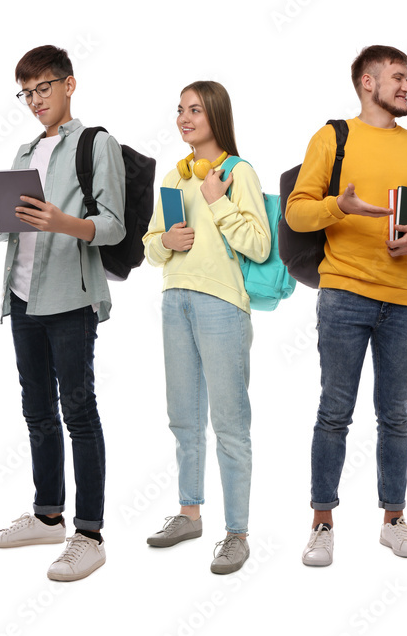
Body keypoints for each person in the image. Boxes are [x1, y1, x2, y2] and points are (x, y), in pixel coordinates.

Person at [286, 45, 407, 567]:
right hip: (345, 294)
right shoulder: (333, 137)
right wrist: (340, 206)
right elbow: (297, 213)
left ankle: (393, 520)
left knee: (394, 416)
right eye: (398, 78)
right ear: (367, 82)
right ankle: (322, 522)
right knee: (335, 412)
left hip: (404, 299)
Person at [0, 45, 125, 581]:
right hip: (21, 296)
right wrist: (5, 216)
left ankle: (88, 533)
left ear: (69, 85)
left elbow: (112, 225)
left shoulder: (95, 143)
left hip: (71, 298)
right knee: (36, 409)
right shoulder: (24, 152)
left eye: (44, 88)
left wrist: (60, 221)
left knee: (79, 412)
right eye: (27, 92)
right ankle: (47, 515)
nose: (35, 100)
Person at [142, 81, 270, 574]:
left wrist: (218, 201)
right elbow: (152, 248)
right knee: (184, 417)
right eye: (179, 110)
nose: (184, 118)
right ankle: (189, 512)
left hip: (222, 305)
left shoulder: (238, 174)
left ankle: (236, 533)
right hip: (175, 300)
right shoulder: (175, 180)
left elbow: (259, 245)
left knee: (231, 424)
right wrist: (167, 240)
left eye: (195, 110)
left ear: (216, 115)